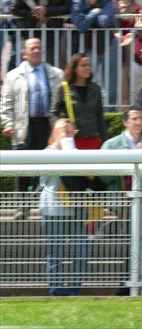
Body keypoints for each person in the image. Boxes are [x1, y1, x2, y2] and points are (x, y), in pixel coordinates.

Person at [100, 106, 142, 295]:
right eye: (134, 118)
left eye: (141, 118)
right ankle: (125, 285)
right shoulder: (111, 145)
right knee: (126, 246)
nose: (139, 122)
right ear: (125, 122)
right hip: (121, 205)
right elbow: (102, 176)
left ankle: (135, 284)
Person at [0, 38, 63, 194]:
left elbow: (63, 103)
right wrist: (8, 124)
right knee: (23, 171)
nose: (36, 51)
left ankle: (46, 208)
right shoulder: (12, 76)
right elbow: (5, 104)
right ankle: (22, 209)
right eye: (32, 48)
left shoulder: (56, 74)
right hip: (24, 127)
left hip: (49, 126)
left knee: (48, 168)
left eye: (38, 48)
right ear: (24, 54)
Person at [39, 119, 88, 296]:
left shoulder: (77, 153)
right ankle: (56, 289)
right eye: (63, 130)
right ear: (54, 132)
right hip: (53, 210)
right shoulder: (47, 152)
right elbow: (49, 179)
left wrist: (72, 152)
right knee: (54, 252)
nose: (67, 134)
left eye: (70, 131)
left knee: (81, 251)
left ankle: (74, 289)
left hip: (76, 209)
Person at [49, 53, 108, 150]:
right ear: (74, 69)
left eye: (89, 65)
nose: (87, 68)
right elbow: (53, 113)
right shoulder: (63, 88)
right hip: (72, 141)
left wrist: (105, 140)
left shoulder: (95, 89)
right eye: (83, 65)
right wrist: (62, 127)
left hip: (93, 140)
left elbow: (99, 116)